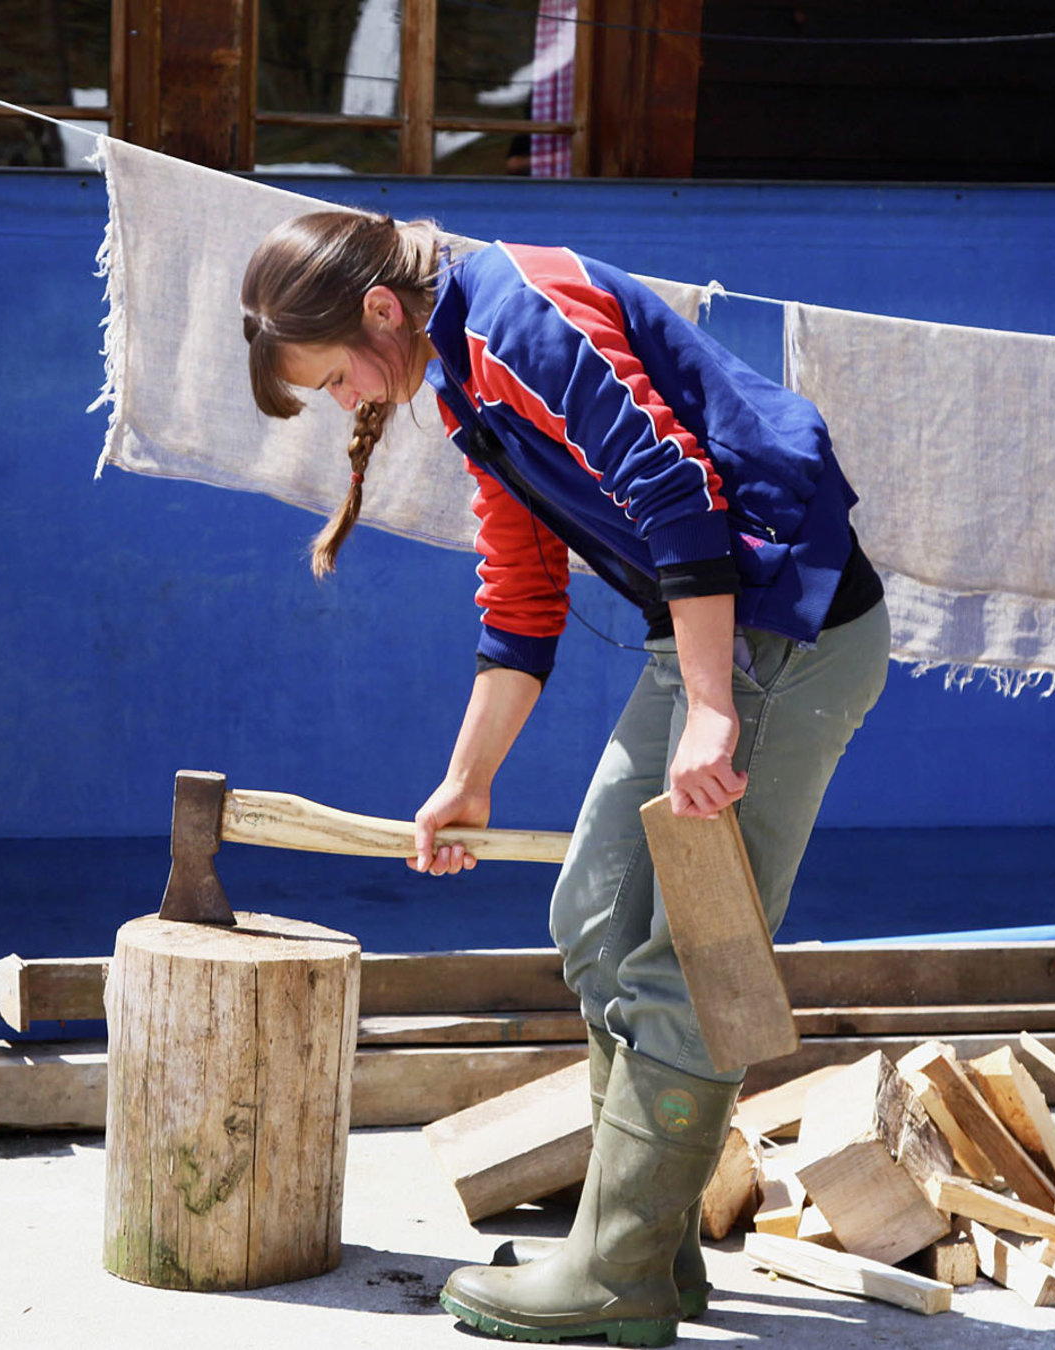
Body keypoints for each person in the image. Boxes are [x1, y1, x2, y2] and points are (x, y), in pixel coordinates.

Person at [241, 211, 889, 1346]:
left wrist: (710, 708)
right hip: (710, 641)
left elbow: (673, 486)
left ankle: (616, 1276)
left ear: (380, 310)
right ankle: (648, 1250)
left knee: (694, 955)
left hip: (786, 637)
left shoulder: (521, 314)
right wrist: (467, 779)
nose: (348, 402)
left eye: (337, 376)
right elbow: (522, 591)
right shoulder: (467, 379)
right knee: (594, 920)